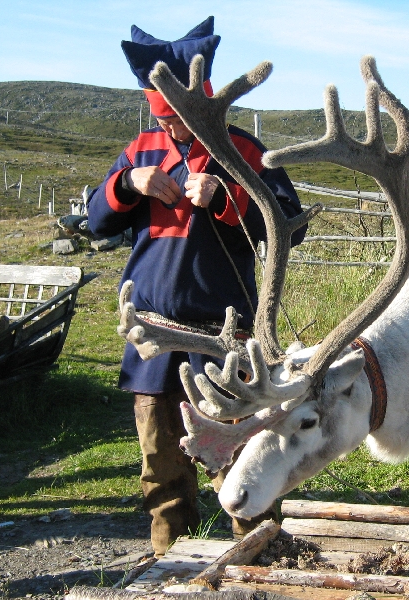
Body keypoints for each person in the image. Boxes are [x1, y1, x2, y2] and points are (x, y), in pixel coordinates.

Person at [87, 16, 306, 558]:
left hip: (224, 339)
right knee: (162, 467)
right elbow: (96, 223)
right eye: (165, 119)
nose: (175, 131)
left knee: (243, 462)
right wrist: (125, 184)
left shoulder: (245, 151)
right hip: (152, 338)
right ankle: (172, 563)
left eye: (182, 119)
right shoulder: (140, 150)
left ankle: (258, 562)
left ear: (204, 101)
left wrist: (230, 199)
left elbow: (289, 226)